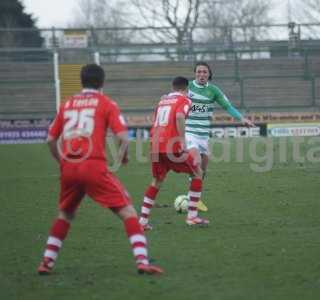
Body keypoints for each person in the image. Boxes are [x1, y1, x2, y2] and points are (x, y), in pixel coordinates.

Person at [37, 64, 163, 275]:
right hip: (93, 166)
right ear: (102, 82)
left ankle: (46, 263)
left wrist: (62, 162)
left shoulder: (67, 104)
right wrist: (123, 156)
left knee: (65, 214)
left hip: (69, 167)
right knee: (128, 211)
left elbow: (50, 139)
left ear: (81, 81)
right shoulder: (106, 103)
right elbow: (122, 136)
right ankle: (142, 261)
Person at [138, 76, 208, 230]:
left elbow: (157, 120)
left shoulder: (162, 101)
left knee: (156, 181)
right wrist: (182, 140)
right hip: (171, 144)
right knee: (197, 172)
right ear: (186, 89)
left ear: (173, 87)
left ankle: (142, 221)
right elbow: (179, 116)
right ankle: (192, 217)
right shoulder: (184, 100)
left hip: (155, 143)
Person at [185, 61, 255, 209]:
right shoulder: (188, 87)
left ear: (209, 74)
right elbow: (173, 97)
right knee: (196, 162)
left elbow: (227, 106)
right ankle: (191, 202)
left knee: (203, 169)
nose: (201, 74)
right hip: (189, 132)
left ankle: (195, 199)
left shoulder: (214, 91)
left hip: (203, 134)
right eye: (199, 72)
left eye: (204, 72)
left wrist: (241, 118)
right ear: (195, 74)